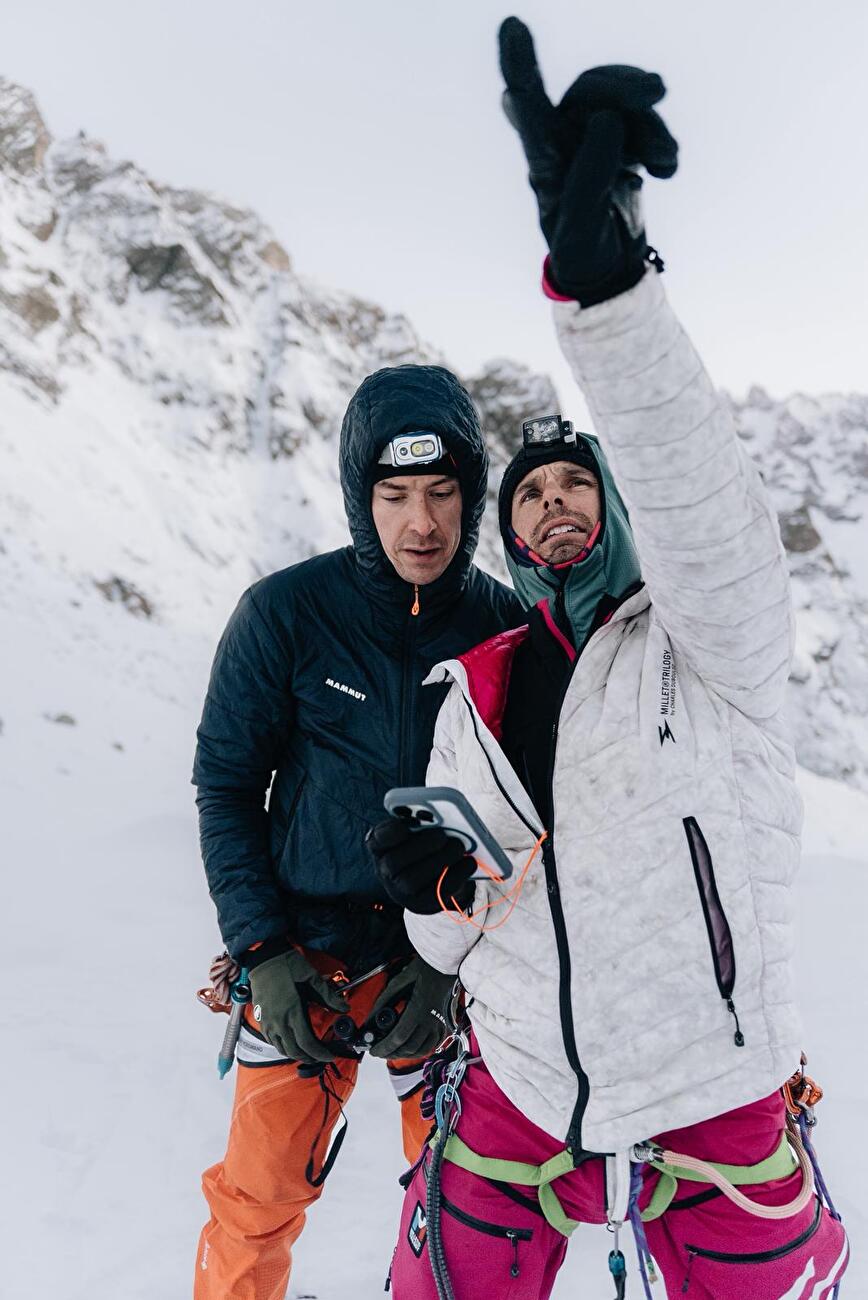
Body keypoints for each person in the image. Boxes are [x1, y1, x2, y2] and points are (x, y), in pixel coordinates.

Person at [369, 19, 849, 1299]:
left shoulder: (709, 641)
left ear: (617, 513)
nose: (553, 507)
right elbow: (458, 937)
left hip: (715, 1091)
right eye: (530, 498)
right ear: (507, 535)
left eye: (581, 486)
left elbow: (697, 494)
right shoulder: (473, 692)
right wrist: (428, 888)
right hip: (520, 1084)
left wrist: (609, 294)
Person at [192, 361, 522, 1300]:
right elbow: (225, 786)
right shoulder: (286, 616)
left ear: (470, 496)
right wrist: (260, 950)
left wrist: (456, 957)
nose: (421, 522)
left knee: (468, 1217)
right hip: (306, 956)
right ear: (359, 498)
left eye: (442, 493)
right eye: (396, 494)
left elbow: (534, 823)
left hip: (451, 973)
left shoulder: (506, 629)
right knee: (255, 1203)